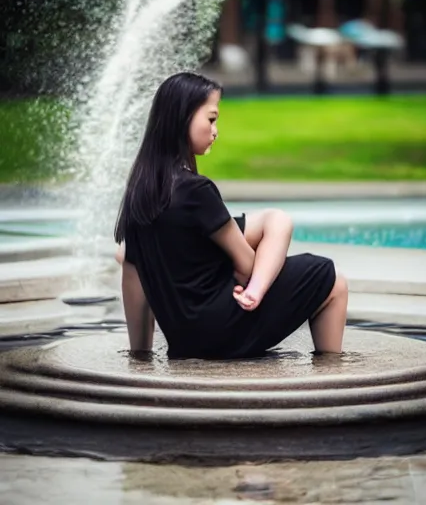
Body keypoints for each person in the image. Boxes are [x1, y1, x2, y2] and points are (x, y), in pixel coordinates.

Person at [114, 72, 348, 359]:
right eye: (211, 119)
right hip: (221, 329)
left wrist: (140, 352)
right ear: (183, 118)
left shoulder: (141, 192)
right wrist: (253, 284)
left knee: (276, 221)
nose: (216, 130)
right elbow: (247, 267)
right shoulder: (196, 190)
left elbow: (131, 271)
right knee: (329, 276)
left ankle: (254, 292)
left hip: (183, 339)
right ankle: (332, 370)